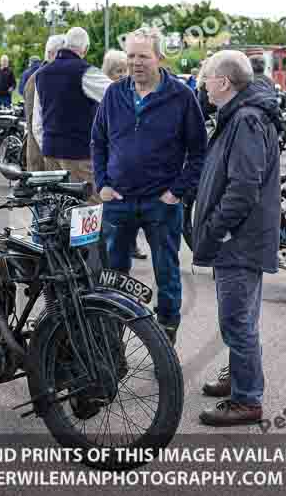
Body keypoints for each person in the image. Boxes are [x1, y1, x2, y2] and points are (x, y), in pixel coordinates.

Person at [91, 27, 207, 345]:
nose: (136, 62)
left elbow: (198, 151)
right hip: (118, 201)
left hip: (162, 204)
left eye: (143, 56)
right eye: (131, 56)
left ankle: (164, 346)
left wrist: (176, 192)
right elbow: (98, 141)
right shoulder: (114, 94)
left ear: (159, 57)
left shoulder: (182, 96)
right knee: (113, 275)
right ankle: (112, 346)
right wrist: (102, 183)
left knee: (167, 275)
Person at [191, 50, 280, 427]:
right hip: (241, 239)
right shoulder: (241, 114)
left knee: (237, 320)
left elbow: (244, 187)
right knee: (242, 317)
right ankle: (239, 378)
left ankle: (246, 399)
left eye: (207, 77)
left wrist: (214, 230)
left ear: (224, 82)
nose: (203, 84)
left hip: (237, 241)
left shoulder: (245, 119)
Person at [34, 26, 111, 201]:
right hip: (79, 153)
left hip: (50, 151)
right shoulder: (86, 72)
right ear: (85, 48)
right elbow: (117, 96)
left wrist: (45, 143)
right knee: (91, 206)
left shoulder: (42, 74)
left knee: (60, 205)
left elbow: (37, 119)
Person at [100, 48, 147, 261]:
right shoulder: (106, 92)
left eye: (123, 70)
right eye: (116, 70)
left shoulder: (132, 91)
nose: (120, 74)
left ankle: (131, 244)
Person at [24, 35, 66, 172]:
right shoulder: (39, 79)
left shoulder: (45, 76)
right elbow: (36, 125)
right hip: (42, 158)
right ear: (50, 54)